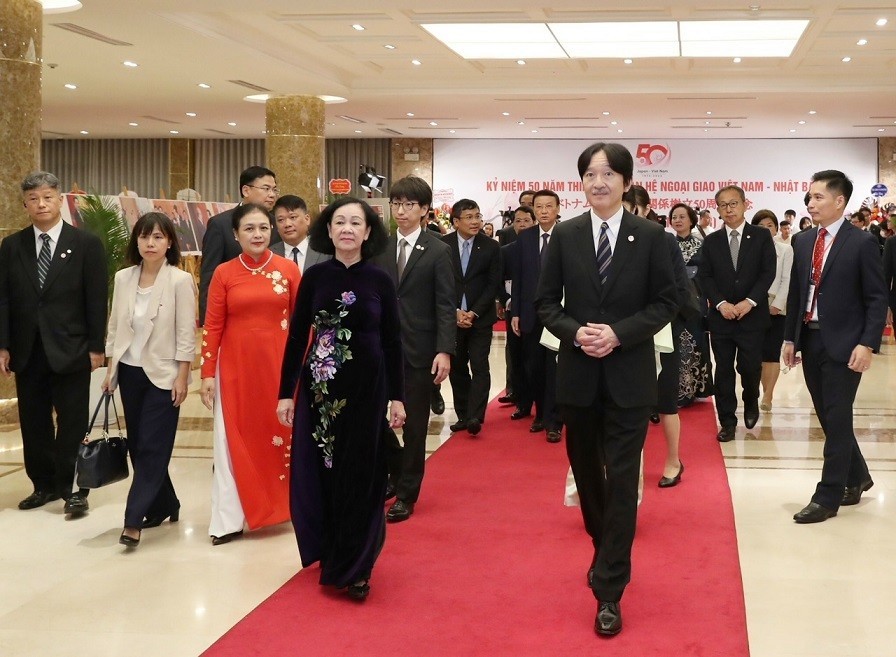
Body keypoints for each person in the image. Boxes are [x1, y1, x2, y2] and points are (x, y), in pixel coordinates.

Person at [536, 142, 677, 637]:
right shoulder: (566, 236)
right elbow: (545, 303)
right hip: (577, 375)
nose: (599, 182)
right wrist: (576, 332)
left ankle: (610, 589)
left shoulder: (651, 237)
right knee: (587, 475)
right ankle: (605, 546)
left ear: (626, 181)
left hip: (629, 377)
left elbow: (668, 301)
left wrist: (620, 333)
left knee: (621, 479)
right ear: (582, 183)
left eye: (609, 174)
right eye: (591, 174)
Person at [277, 196, 404, 601]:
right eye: (339, 222)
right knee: (327, 474)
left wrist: (398, 398)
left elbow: (393, 342)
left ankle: (359, 566)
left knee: (363, 478)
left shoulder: (380, 279)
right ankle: (332, 552)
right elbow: (298, 338)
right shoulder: (314, 278)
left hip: (369, 393)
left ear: (368, 232)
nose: (347, 228)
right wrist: (286, 393)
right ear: (328, 230)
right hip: (321, 394)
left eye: (356, 222)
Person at [0, 171, 107, 516]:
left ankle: (73, 486)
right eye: (33, 199)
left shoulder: (86, 244)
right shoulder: (12, 246)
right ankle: (42, 485)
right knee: (33, 422)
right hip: (27, 349)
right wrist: (3, 345)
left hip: (72, 348)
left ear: (60, 200)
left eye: (47, 197)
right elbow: (2, 299)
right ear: (25, 205)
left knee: (73, 422)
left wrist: (96, 346)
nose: (41, 204)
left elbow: (96, 298)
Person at [783, 169, 886, 523]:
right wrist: (790, 337)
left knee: (838, 415)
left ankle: (827, 496)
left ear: (840, 201)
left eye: (818, 197)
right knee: (828, 415)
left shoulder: (861, 242)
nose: (810, 203)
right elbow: (798, 293)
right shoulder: (802, 242)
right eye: (809, 198)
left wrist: (867, 343)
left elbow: (876, 297)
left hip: (845, 343)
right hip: (811, 339)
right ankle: (858, 477)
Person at [200, 203, 301, 545]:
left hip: (280, 369)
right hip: (235, 372)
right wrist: (207, 373)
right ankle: (228, 519)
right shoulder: (224, 273)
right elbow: (212, 324)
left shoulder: (288, 270)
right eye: (249, 229)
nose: (257, 235)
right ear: (235, 235)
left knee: (281, 437)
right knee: (231, 444)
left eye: (263, 228)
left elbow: (304, 324)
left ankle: (286, 508)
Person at [102, 212, 196, 547]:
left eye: (158, 237)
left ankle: (132, 521)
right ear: (136, 241)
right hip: (129, 371)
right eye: (144, 237)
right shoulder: (124, 277)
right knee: (140, 447)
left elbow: (187, 334)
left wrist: (183, 377)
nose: (151, 243)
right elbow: (115, 328)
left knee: (153, 446)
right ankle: (167, 503)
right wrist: (111, 371)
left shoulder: (179, 281)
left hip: (164, 373)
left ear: (169, 242)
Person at [372, 176, 455, 523]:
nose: (401, 211)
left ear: (424, 210)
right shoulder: (378, 249)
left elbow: (445, 303)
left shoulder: (438, 249)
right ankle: (396, 470)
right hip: (379, 348)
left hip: (420, 350)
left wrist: (444, 349)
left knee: (416, 424)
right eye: (396, 204)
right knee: (377, 419)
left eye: (409, 205)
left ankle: (407, 492)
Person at [624, 189, 699, 488]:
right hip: (624, 333)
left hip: (662, 330)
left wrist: (664, 321)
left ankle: (673, 460)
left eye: (632, 210)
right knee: (629, 403)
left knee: (666, 401)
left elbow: (680, 290)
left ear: (645, 209)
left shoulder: (663, 239)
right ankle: (628, 464)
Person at [698, 185, 776, 442]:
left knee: (750, 367)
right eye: (723, 205)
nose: (729, 209)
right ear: (718, 210)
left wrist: (749, 301)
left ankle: (751, 399)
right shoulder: (711, 241)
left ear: (744, 204)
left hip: (752, 316)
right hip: (722, 318)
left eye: (734, 204)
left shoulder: (761, 236)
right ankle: (727, 421)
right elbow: (705, 277)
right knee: (723, 371)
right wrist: (721, 303)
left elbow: (767, 272)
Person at [442, 199, 501, 436]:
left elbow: (493, 283)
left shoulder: (491, 247)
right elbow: (441, 283)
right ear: (456, 221)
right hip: (452, 317)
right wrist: (455, 311)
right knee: (457, 368)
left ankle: (476, 416)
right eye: (469, 217)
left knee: (479, 364)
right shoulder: (443, 245)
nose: (475, 221)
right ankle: (463, 415)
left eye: (477, 216)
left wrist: (473, 312)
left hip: (480, 318)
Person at [508, 190, 564, 443]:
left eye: (548, 206)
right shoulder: (526, 238)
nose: (542, 211)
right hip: (531, 314)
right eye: (538, 207)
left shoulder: (568, 235)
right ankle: (540, 414)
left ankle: (556, 420)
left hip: (561, 314)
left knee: (556, 369)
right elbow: (518, 279)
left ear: (557, 208)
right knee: (534, 368)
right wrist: (516, 312)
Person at [198, 165, 280, 324]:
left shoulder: (276, 224)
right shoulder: (220, 224)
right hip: (234, 315)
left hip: (270, 316)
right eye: (266, 188)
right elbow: (209, 275)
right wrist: (208, 323)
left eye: (274, 190)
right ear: (246, 190)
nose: (271, 195)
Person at [669, 203, 714, 407]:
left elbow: (707, 274)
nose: (678, 220)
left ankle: (696, 388)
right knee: (675, 346)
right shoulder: (666, 244)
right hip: (672, 303)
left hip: (695, 303)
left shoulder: (703, 244)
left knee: (696, 343)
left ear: (691, 220)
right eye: (674, 217)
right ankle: (677, 390)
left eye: (682, 217)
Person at [750, 210, 793, 412]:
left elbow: (786, 279)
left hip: (776, 306)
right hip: (752, 307)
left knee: (771, 353)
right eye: (760, 226)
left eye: (770, 226)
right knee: (756, 354)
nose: (766, 230)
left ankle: (768, 395)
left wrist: (779, 304)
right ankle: (763, 390)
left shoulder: (785, 250)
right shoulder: (749, 251)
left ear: (776, 228)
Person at [497, 206, 537, 407]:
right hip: (513, 310)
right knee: (516, 354)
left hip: (537, 310)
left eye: (526, 221)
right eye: (518, 221)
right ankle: (521, 399)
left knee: (537, 358)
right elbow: (499, 281)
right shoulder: (506, 251)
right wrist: (507, 301)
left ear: (534, 222)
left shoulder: (543, 248)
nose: (522, 225)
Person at [272, 195, 331, 273]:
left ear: (307, 219)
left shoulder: (325, 250)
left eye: (293, 217)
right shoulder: (270, 254)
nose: (287, 224)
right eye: (280, 220)